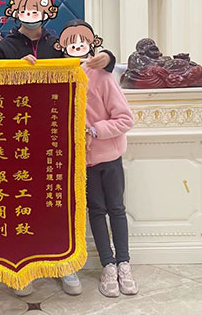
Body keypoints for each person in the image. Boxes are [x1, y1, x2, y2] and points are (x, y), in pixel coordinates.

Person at [0, 0, 116, 297]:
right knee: (22, 202)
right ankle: (24, 268)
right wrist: (12, 69)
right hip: (17, 139)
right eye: (26, 5)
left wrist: (108, 57)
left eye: (39, 4)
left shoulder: (60, 44)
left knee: (59, 202)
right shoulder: (3, 48)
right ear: (14, 8)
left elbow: (93, 61)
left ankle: (64, 263)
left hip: (59, 136)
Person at [58, 20, 138, 298]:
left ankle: (124, 263)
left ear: (93, 43)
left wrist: (94, 131)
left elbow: (126, 118)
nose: (76, 46)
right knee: (96, 211)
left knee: (116, 209)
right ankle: (108, 265)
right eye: (70, 42)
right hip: (83, 162)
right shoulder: (60, 75)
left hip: (110, 158)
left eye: (82, 41)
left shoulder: (102, 76)